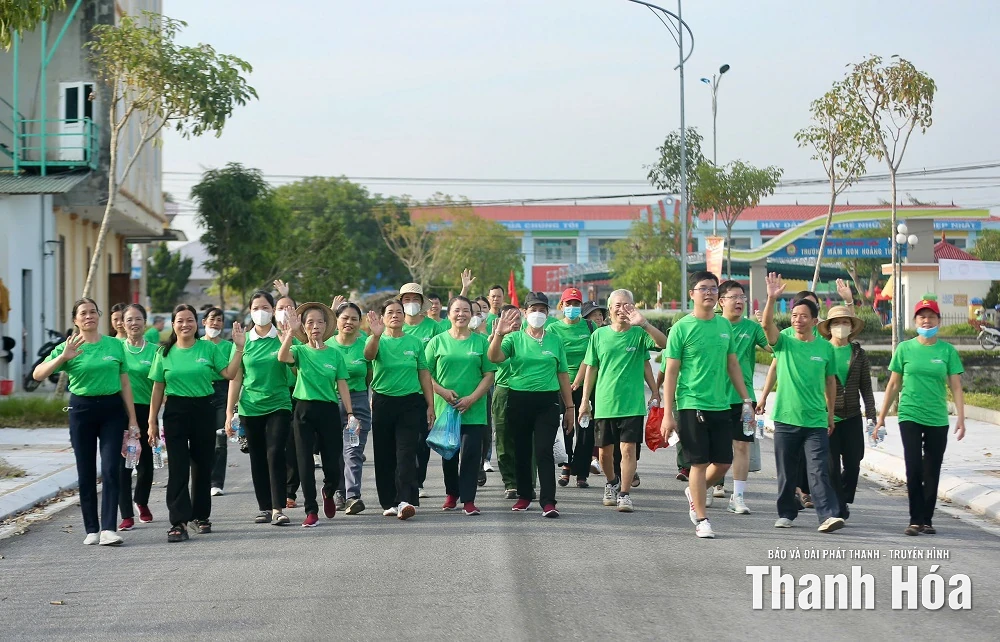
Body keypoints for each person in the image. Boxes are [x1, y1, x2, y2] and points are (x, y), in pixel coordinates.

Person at [33, 298, 140, 547]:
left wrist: (133, 419)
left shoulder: (114, 345)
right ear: (75, 320)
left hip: (113, 410)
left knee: (112, 468)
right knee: (86, 470)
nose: (89, 316)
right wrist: (63, 358)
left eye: (93, 312)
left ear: (99, 316)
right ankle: (91, 528)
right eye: (83, 313)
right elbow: (38, 374)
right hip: (81, 409)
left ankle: (108, 529)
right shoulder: (68, 346)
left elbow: (125, 383)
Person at [660, 272, 757, 539]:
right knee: (699, 463)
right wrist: (668, 414)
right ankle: (702, 519)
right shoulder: (682, 328)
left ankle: (695, 490)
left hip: (721, 405)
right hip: (691, 404)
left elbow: (733, 364)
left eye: (713, 289)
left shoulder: (724, 326)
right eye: (703, 288)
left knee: (724, 462)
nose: (709, 293)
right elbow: (670, 373)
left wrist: (746, 398)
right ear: (692, 294)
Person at [148, 304, 243, 542]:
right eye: (180, 320)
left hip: (203, 409)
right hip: (175, 412)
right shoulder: (164, 353)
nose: (185, 325)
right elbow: (158, 388)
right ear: (173, 325)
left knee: (202, 466)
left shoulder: (207, 348)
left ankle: (200, 516)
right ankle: (178, 522)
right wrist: (151, 422)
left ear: (197, 323)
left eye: (190, 320)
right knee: (178, 467)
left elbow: (229, 374)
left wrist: (240, 348)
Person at [759, 273, 845, 534]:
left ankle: (827, 516)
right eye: (795, 315)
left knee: (818, 470)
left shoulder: (825, 348)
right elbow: (766, 327)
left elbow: (831, 383)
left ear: (815, 320)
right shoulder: (783, 341)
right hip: (786, 418)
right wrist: (772, 299)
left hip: (815, 420)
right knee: (786, 472)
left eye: (803, 316)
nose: (798, 320)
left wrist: (830, 413)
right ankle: (786, 512)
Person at [875, 296, 965, 536]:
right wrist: (881, 417)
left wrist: (961, 418)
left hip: (937, 417)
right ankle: (915, 519)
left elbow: (956, 386)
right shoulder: (904, 348)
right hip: (910, 414)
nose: (927, 320)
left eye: (931, 316)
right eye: (922, 317)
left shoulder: (947, 351)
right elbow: (893, 385)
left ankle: (927, 519)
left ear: (939, 320)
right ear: (915, 320)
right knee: (913, 466)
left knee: (932, 468)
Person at [488, 292, 575, 518]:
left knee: (544, 450)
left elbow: (563, 374)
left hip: (547, 401)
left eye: (542, 310)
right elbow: (494, 357)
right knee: (522, 450)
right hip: (519, 400)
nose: (538, 314)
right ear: (525, 313)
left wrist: (570, 408)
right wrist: (498, 334)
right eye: (533, 310)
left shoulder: (555, 340)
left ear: (548, 313)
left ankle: (548, 501)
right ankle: (525, 495)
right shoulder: (514, 338)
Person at [580, 289, 666, 512]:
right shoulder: (598, 335)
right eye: (617, 305)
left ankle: (625, 493)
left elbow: (664, 344)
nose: (622, 309)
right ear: (609, 309)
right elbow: (591, 368)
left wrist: (655, 391)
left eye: (627, 305)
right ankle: (611, 483)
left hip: (632, 404)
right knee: (604, 453)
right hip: (605, 403)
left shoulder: (639, 334)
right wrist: (584, 401)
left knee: (628, 449)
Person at [278, 303, 353, 527]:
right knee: (304, 462)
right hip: (303, 410)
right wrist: (290, 332)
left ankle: (329, 492)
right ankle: (311, 510)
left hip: (329, 410)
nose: (315, 326)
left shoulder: (335, 354)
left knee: (332, 462)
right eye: (310, 322)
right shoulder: (299, 350)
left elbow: (342, 384)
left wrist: (350, 413)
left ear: (326, 325)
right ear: (304, 326)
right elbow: (282, 357)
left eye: (319, 322)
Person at [225, 291, 294, 526]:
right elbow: (236, 378)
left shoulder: (282, 336)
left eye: (265, 307)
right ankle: (264, 507)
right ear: (250, 311)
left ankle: (277, 508)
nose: (260, 312)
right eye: (256, 308)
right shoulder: (244, 341)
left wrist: (290, 338)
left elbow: (296, 369)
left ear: (274, 310)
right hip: (250, 407)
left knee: (275, 453)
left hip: (279, 403)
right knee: (257, 457)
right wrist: (229, 412)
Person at [365, 299, 436, 520]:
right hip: (384, 402)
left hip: (410, 403)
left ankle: (405, 500)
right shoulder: (376, 339)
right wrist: (376, 335)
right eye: (390, 312)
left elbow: (424, 374)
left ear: (404, 317)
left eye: (399, 312)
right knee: (385, 454)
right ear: (383, 317)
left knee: (406, 453)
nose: (395, 315)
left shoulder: (415, 343)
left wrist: (430, 405)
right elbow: (368, 356)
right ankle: (388, 502)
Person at [425, 296, 497, 515]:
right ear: (449, 314)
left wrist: (472, 398)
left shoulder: (481, 342)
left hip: (473, 410)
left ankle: (468, 499)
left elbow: (489, 375)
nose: (461, 314)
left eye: (466, 311)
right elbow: (425, 374)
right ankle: (451, 494)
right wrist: (443, 393)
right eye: (457, 310)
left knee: (470, 455)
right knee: (449, 454)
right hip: (446, 410)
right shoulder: (437, 341)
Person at [717, 280, 771, 515]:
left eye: (742, 297)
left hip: (744, 399)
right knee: (715, 450)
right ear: (721, 301)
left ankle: (737, 496)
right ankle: (708, 486)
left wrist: (765, 323)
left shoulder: (752, 328)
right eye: (733, 297)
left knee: (742, 447)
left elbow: (773, 347)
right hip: (714, 397)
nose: (739, 301)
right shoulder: (712, 325)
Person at [817, 306, 875, 521]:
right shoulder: (822, 351)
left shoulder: (858, 353)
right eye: (836, 323)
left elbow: (866, 388)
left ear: (851, 328)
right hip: (827, 417)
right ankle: (838, 507)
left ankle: (842, 498)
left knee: (853, 463)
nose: (841, 327)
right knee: (831, 467)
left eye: (845, 323)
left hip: (851, 416)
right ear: (829, 328)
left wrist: (872, 417)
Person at [549, 288, 597, 488]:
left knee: (586, 429)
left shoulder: (590, 326)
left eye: (576, 304)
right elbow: (551, 357)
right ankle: (566, 465)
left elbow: (592, 356)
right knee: (566, 427)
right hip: (561, 385)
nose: (572, 308)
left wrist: (578, 380)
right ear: (561, 306)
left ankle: (582, 472)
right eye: (568, 304)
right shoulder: (553, 329)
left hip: (587, 384)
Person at [328, 302, 372, 515]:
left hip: (358, 401)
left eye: (354, 319)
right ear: (336, 320)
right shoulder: (326, 345)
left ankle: (353, 495)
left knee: (354, 450)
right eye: (345, 318)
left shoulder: (366, 344)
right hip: (329, 400)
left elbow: (370, 374)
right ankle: (338, 490)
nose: (349, 322)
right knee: (335, 451)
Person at [117, 304, 158, 531]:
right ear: (122, 323)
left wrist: (153, 419)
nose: (134, 323)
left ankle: (141, 501)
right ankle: (126, 514)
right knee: (123, 462)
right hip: (120, 411)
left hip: (146, 410)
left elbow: (160, 385)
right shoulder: (116, 348)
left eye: (138, 319)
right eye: (129, 319)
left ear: (145, 322)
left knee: (145, 462)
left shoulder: (155, 351)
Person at [491, 304, 529, 499]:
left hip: (526, 392)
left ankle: (528, 483)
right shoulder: (497, 340)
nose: (514, 323)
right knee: (504, 440)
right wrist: (495, 338)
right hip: (504, 391)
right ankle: (510, 483)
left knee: (527, 440)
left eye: (517, 319)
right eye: (509, 319)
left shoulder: (529, 338)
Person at [201, 307, 233, 497]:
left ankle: (216, 481)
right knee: (202, 439)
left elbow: (233, 375)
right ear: (204, 321)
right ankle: (202, 477)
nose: (215, 323)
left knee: (220, 440)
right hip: (201, 391)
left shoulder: (228, 347)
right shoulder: (196, 344)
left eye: (219, 320)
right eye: (212, 319)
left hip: (222, 393)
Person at [581, 300, 608, 476]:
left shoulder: (610, 333)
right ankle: (589, 459)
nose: (597, 317)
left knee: (603, 425)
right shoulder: (587, 334)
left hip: (606, 388)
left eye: (600, 314)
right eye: (593, 315)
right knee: (587, 425)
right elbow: (588, 363)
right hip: (587, 385)